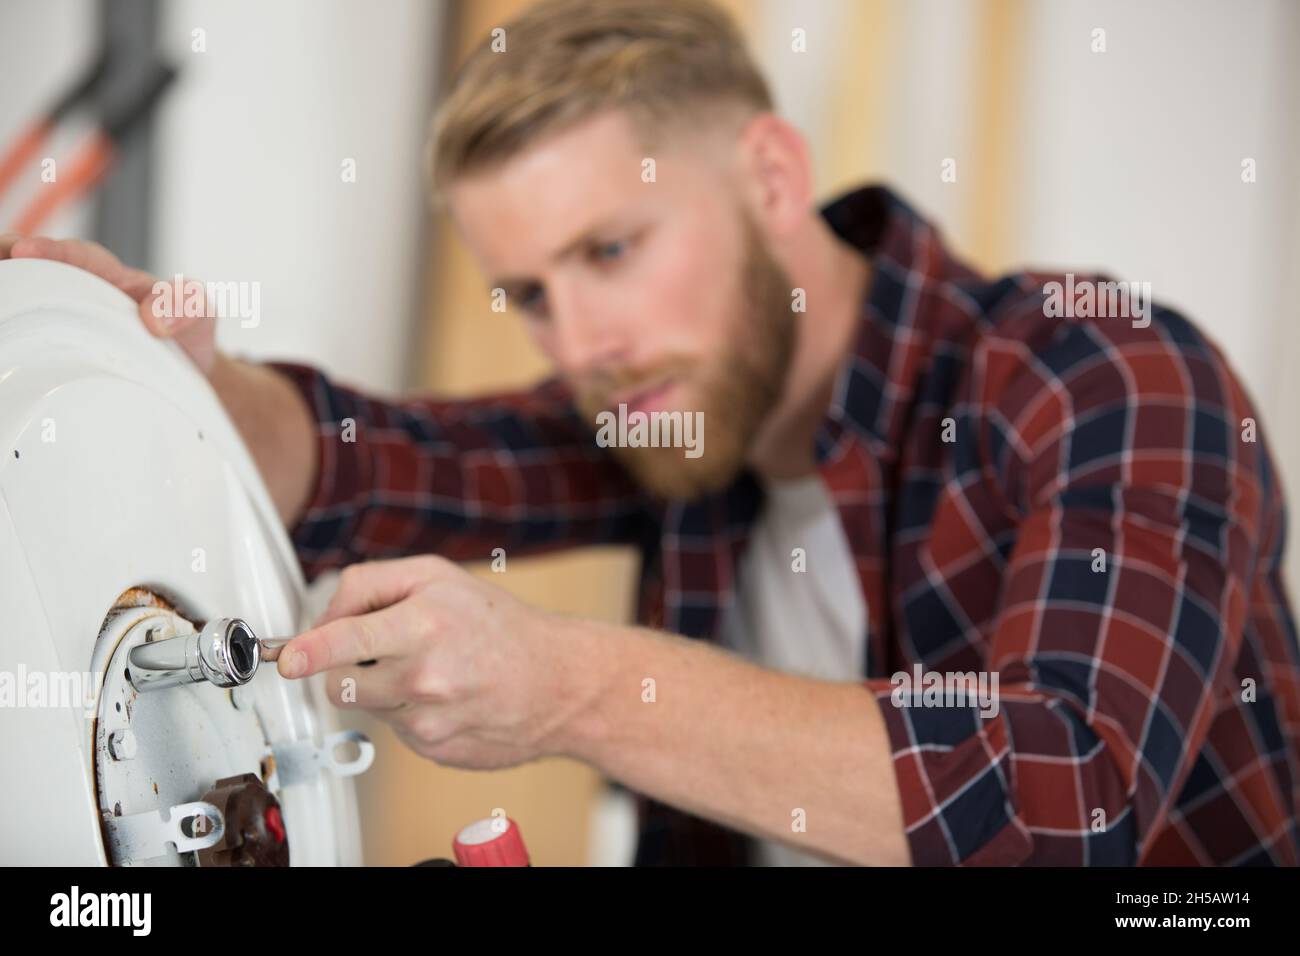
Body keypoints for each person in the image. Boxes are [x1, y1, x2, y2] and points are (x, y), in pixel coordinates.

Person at [3, 0, 1297, 866]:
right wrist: (187, 390)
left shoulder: (1105, 374)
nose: (582, 343)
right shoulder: (670, 409)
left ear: (772, 180)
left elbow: (1070, 797)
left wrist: (571, 686)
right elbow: (375, 462)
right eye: (529, 294)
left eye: (611, 250)